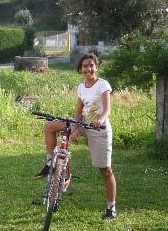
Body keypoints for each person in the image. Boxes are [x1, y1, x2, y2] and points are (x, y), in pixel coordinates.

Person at [35, 53, 117, 219]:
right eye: (85, 66)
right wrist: (74, 128)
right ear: (80, 69)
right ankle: (53, 162)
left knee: (105, 170)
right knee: (51, 126)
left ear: (96, 67)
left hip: (99, 128)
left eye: (91, 65)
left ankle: (111, 207)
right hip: (83, 123)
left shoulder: (103, 85)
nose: (88, 69)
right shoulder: (81, 87)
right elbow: (78, 113)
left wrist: (100, 121)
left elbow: (107, 109)